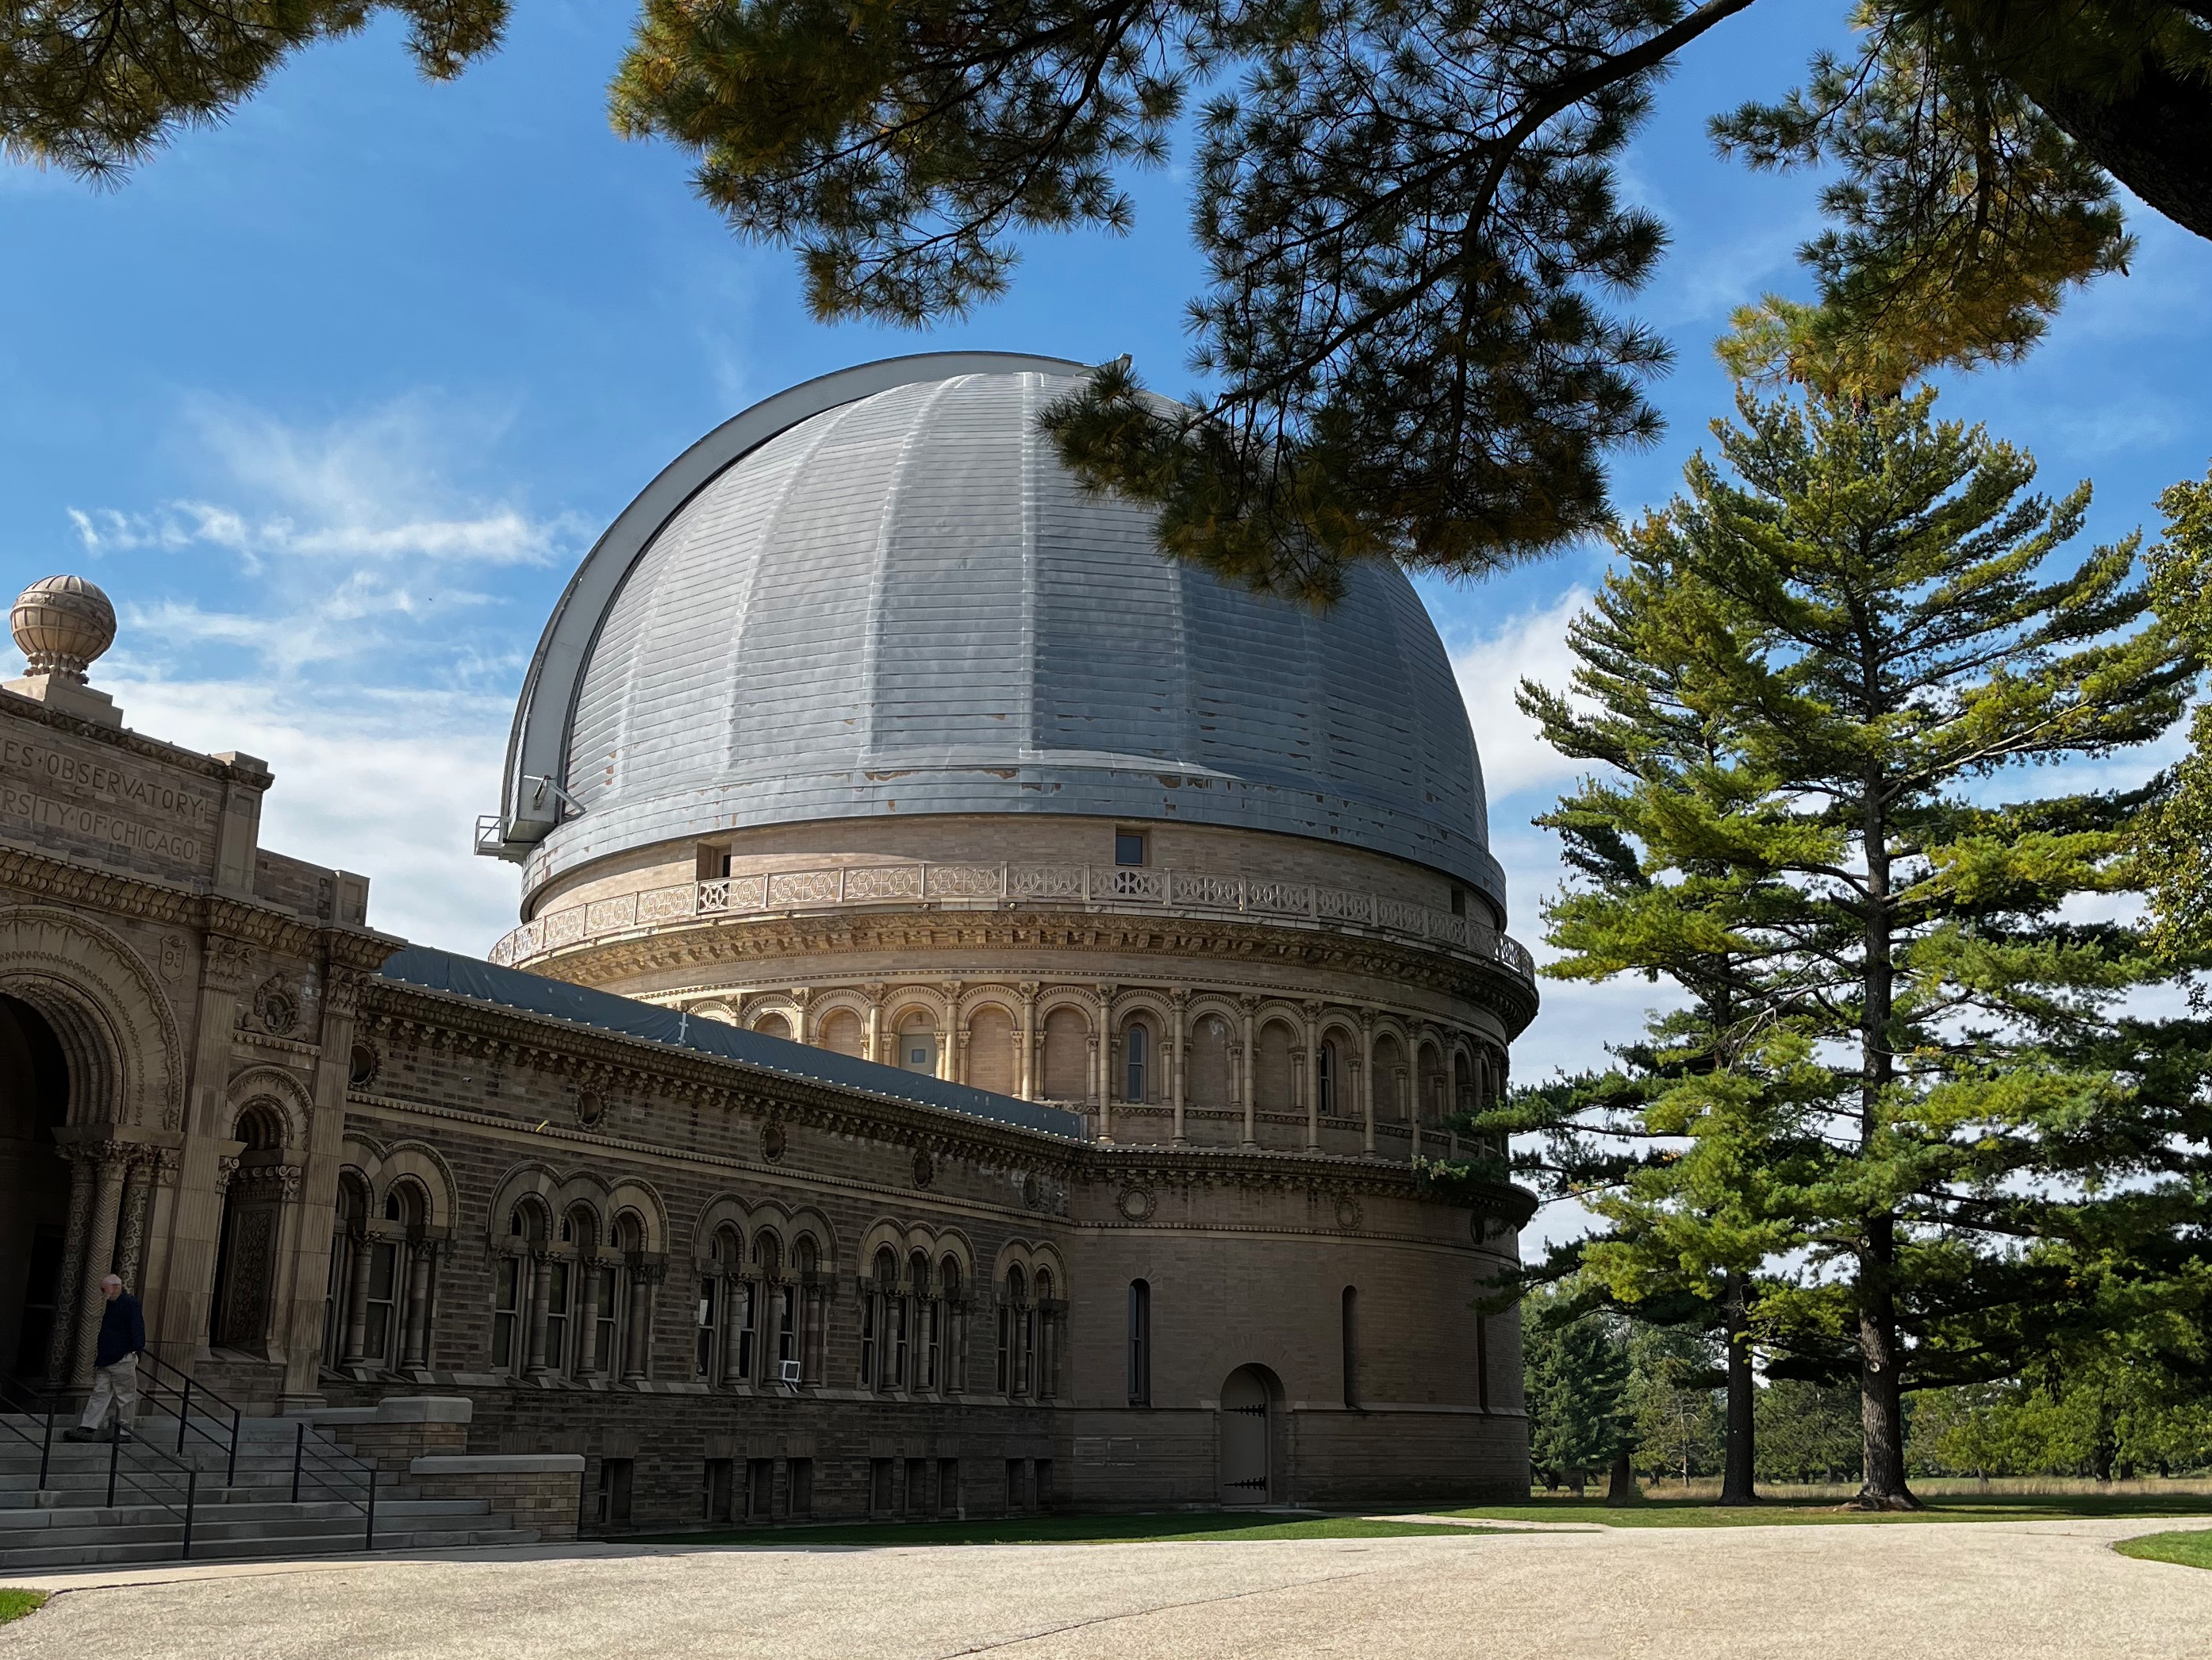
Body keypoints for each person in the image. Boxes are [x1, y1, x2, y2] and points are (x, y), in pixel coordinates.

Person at [63, 1274, 144, 1443]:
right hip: (106, 1358)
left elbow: (136, 1327)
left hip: (122, 1357)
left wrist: (136, 1350)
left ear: (115, 1287)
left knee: (125, 1395)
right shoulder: (112, 1304)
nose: (102, 1292)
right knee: (100, 1392)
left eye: (104, 1288)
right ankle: (88, 1426)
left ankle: (124, 1432)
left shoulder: (129, 1303)